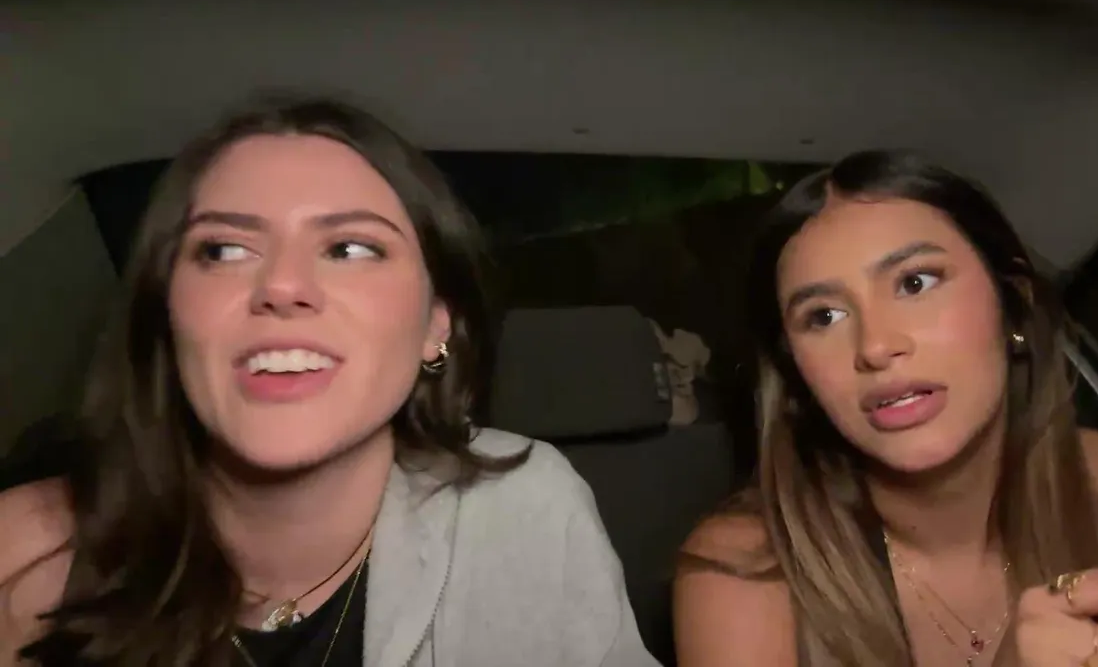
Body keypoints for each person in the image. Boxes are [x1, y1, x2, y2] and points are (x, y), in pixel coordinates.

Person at [0, 96, 659, 667]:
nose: (283, 286)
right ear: (168, 317)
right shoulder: (23, 557)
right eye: (223, 250)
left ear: (436, 326)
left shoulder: (525, 513)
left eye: (350, 249)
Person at [673, 151, 1098, 667]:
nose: (876, 346)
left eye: (915, 283)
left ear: (1012, 305)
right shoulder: (743, 573)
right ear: (796, 375)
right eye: (823, 316)